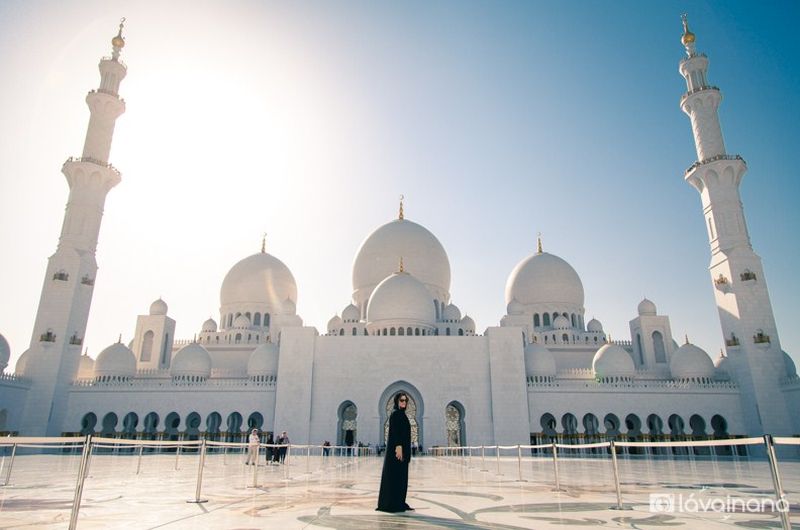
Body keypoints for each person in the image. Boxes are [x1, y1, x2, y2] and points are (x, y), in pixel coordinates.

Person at [376, 392, 413, 513]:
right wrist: (398, 446)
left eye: (405, 400)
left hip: (403, 451)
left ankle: (400, 501)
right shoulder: (395, 414)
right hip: (398, 451)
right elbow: (395, 431)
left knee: (402, 477)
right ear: (397, 401)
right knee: (396, 476)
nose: (404, 402)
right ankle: (392, 503)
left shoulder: (402, 414)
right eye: (401, 400)